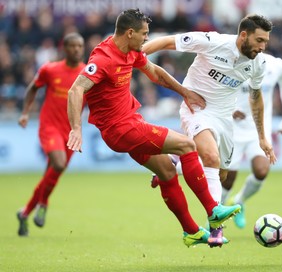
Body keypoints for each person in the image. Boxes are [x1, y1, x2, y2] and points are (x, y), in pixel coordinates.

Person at [66, 9, 240, 248]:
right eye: (144, 34)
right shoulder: (104, 59)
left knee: (167, 172)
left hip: (130, 124)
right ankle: (213, 210)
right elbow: (75, 89)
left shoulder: (130, 51)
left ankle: (191, 231)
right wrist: (75, 128)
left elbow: (155, 73)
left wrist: (184, 92)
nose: (147, 39)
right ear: (130, 33)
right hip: (121, 129)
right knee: (187, 145)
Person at [143, 14, 277, 246]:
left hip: (225, 119)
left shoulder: (259, 63)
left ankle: (174, 160)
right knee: (211, 157)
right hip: (197, 108)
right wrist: (136, 55)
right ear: (243, 35)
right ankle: (216, 227)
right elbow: (167, 41)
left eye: (265, 41)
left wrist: (262, 138)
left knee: (221, 175)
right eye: (259, 40)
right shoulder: (212, 41)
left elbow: (256, 98)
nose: (262, 47)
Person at [16, 33, 86, 237]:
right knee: (58, 163)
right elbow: (32, 89)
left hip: (72, 131)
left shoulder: (87, 74)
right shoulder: (49, 69)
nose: (76, 50)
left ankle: (25, 212)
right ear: (64, 48)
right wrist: (25, 113)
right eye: (72, 46)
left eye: (80, 46)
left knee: (52, 174)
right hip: (49, 127)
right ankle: (44, 203)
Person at [221, 53, 282, 228]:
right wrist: (229, 109)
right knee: (228, 178)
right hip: (233, 130)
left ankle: (239, 201)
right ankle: (217, 216)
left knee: (262, 171)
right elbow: (217, 90)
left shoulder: (276, 65)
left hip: (259, 130)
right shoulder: (231, 62)